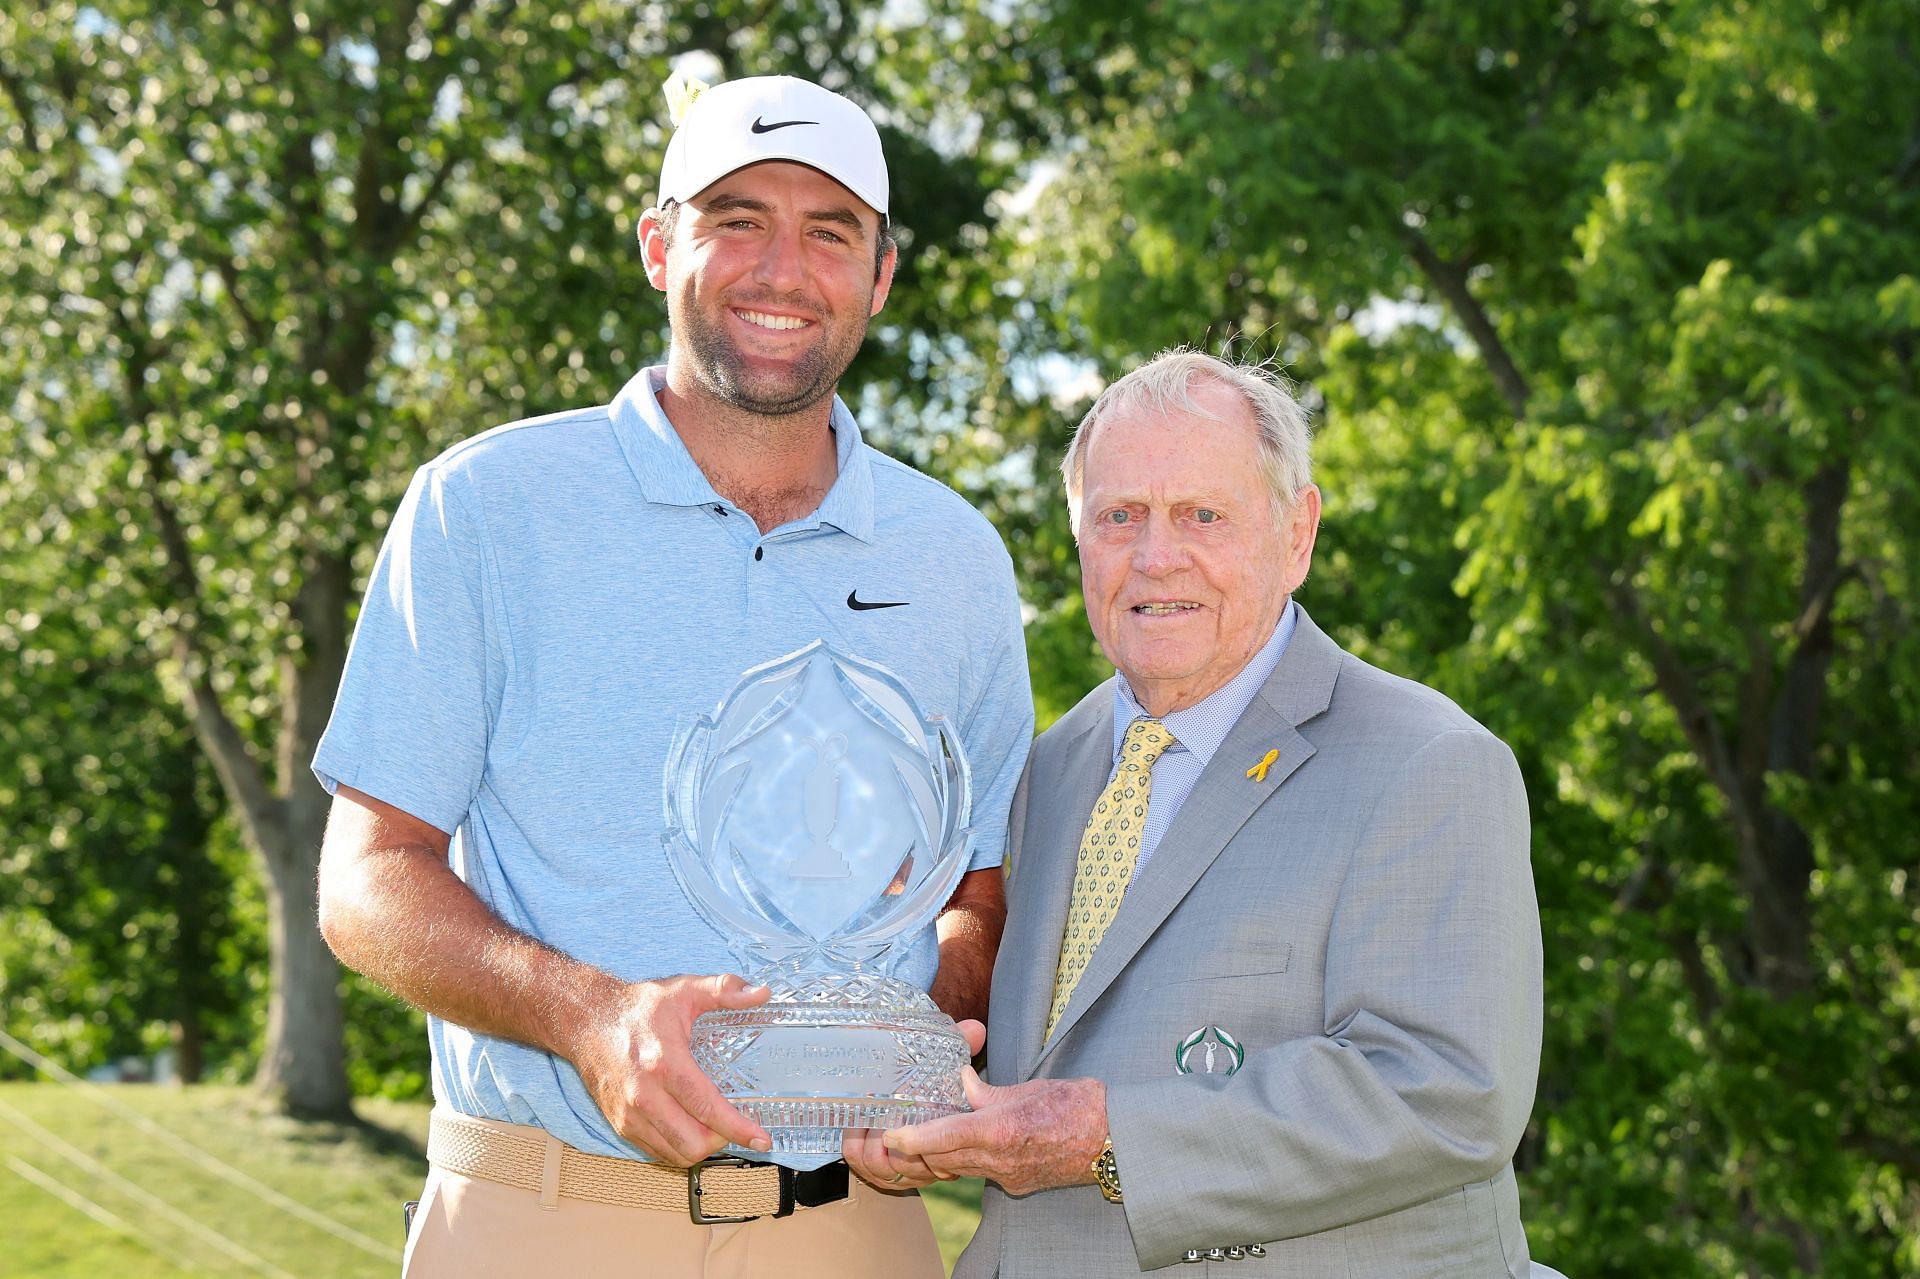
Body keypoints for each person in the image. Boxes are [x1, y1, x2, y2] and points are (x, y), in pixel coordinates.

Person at [312, 73, 1033, 1278]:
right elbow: (367, 876)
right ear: (659, 246)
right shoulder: (487, 507)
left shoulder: (954, 553)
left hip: (856, 1226)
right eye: (737, 218)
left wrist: (926, 1011)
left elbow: (985, 884)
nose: (781, 269)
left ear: (881, 275)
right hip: (543, 1217)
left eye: (830, 231)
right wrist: (591, 1019)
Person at [884, 350, 1543, 1276]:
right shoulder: (1051, 767)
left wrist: (1107, 1136)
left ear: (1297, 533)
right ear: (1079, 534)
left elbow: (1445, 1092)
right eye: (1121, 516)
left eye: (1203, 514)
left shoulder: (1429, 764)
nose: (1158, 556)